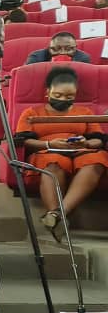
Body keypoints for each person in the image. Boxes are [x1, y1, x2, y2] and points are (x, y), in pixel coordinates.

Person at [14, 66, 108, 242]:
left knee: (96, 160)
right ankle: (58, 219)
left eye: (69, 97)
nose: (63, 100)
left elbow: (99, 140)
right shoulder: (32, 113)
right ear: (47, 92)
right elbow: (22, 140)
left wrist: (86, 143)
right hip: (47, 150)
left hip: (81, 149)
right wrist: (49, 144)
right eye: (58, 95)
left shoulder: (85, 113)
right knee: (52, 163)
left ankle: (56, 215)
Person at [25, 32, 91, 65]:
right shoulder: (36, 57)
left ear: (75, 48)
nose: (62, 53)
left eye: (68, 49)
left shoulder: (83, 58)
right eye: (56, 49)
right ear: (49, 48)